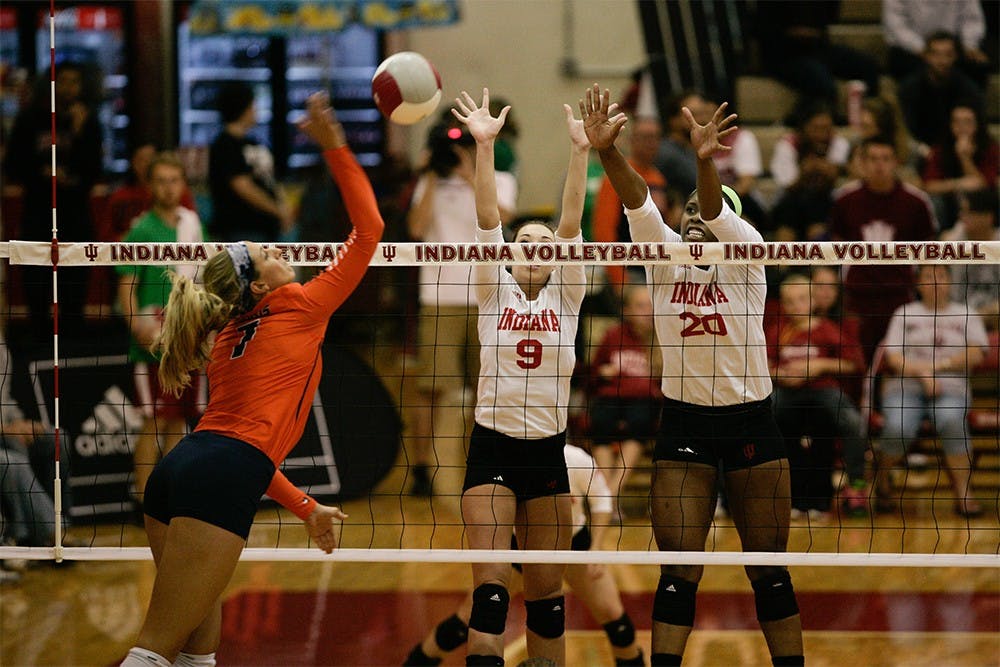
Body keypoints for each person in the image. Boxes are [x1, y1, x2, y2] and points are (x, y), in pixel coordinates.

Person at [119, 92, 382, 667]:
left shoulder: (227, 337)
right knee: (153, 651)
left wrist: (306, 507)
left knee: (196, 654)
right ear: (259, 286)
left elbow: (248, 452)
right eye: (269, 253)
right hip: (220, 474)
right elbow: (370, 230)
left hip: (179, 470)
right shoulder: (301, 305)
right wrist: (336, 148)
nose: (281, 252)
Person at [582, 84, 804, 666]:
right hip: (685, 425)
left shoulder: (747, 255)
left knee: (768, 572)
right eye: (688, 213)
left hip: (750, 421)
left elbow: (715, 208)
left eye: (709, 212)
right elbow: (638, 204)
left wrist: (706, 162)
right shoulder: (665, 260)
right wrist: (607, 152)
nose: (696, 218)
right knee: (678, 572)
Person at [450, 88, 587, 666]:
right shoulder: (493, 290)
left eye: (543, 244)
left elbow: (571, 221)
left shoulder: (568, 295)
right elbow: (488, 219)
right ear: (509, 255)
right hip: (492, 449)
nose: (534, 248)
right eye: (524, 242)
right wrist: (485, 146)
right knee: (490, 595)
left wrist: (581, 152)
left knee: (548, 601)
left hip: (548, 453)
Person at [403, 444, 644, 667]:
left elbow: (602, 501)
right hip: (521, 549)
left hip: (574, 546)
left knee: (615, 619)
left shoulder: (575, 458)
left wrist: (596, 548)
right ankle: (415, 663)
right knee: (469, 619)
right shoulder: (508, 458)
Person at [405, 114, 517, 498]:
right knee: (431, 389)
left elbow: (504, 219)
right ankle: (421, 469)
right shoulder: (429, 183)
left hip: (487, 297)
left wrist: (471, 176)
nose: (458, 153)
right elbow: (415, 229)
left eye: (465, 145)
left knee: (485, 388)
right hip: (439, 299)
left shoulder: (500, 179)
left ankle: (479, 464)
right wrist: (431, 175)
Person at [115, 151, 205, 507]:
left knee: (179, 421)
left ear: (183, 184)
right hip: (152, 340)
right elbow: (126, 286)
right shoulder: (141, 230)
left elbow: (204, 279)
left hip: (187, 337)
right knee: (153, 421)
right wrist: (137, 325)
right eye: (162, 181)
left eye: (174, 180)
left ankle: (170, 497)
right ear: (150, 186)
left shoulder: (192, 225)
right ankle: (142, 499)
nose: (169, 188)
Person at [873, 264, 989, 518]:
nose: (934, 280)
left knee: (951, 420)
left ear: (950, 280)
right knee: (898, 426)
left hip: (952, 387)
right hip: (905, 386)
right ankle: (882, 481)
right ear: (918, 283)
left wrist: (938, 367)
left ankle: (964, 493)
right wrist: (922, 373)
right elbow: (893, 357)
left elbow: (977, 352)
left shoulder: (966, 313)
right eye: (928, 275)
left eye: (940, 275)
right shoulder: (904, 313)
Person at [3, 62, 103, 338]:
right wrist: (42, 174)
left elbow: (94, 170)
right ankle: (38, 334)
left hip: (75, 211)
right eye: (64, 81)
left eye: (75, 81)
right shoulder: (29, 118)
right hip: (38, 209)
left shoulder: (88, 119)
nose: (70, 88)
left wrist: (80, 134)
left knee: (76, 273)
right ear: (51, 84)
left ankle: (74, 335)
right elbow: (14, 165)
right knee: (36, 273)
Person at [767, 274, 868, 520]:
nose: (796, 306)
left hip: (823, 391)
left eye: (802, 299)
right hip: (786, 392)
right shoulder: (778, 331)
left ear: (813, 301)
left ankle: (856, 484)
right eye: (790, 301)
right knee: (761, 418)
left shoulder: (828, 330)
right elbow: (764, 365)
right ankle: (766, 489)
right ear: (783, 304)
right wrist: (781, 375)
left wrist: (820, 366)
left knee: (853, 422)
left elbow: (854, 364)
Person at [830, 136, 937, 365]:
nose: (879, 165)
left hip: (900, 295)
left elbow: (929, 251)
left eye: (886, 159)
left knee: (896, 363)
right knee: (858, 362)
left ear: (896, 162)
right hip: (857, 296)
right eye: (873, 159)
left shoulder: (916, 202)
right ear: (862, 162)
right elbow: (835, 246)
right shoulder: (845, 199)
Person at [587, 282, 661, 523]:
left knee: (639, 422)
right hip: (610, 397)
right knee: (600, 423)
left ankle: (607, 499)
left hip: (643, 401)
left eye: (650, 306)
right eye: (640, 306)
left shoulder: (661, 338)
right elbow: (592, 372)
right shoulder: (613, 335)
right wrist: (602, 372)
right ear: (627, 310)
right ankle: (610, 500)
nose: (647, 312)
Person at [0, 330, 72, 551]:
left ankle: (52, 525)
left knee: (57, 440)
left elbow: (4, 398)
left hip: (6, 430)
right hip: (3, 435)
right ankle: (49, 535)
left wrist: (21, 422)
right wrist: (6, 430)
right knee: (12, 461)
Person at [753, 0, 880, 113]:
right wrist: (795, 32)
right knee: (824, 84)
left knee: (869, 67)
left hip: (817, 47)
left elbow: (830, 15)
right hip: (783, 53)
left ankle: (869, 119)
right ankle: (807, 120)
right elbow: (762, 26)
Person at [208, 81, 292, 243]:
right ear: (243, 108)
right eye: (253, 105)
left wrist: (282, 207)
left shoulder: (253, 142)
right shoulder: (224, 144)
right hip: (240, 229)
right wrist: (277, 210)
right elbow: (242, 185)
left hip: (266, 229)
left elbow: (268, 180)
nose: (256, 110)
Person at [593, 115, 668, 289]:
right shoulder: (616, 178)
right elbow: (603, 231)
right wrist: (619, 279)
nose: (651, 143)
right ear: (632, 140)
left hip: (656, 269)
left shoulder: (658, 178)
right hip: (629, 271)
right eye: (645, 137)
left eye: (655, 137)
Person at [769, 101, 849, 241]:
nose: (822, 134)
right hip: (792, 201)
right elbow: (788, 184)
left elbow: (837, 177)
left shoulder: (839, 143)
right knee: (790, 207)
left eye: (827, 128)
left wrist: (821, 169)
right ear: (804, 128)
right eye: (817, 128)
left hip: (827, 200)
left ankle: (819, 252)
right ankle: (784, 254)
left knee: (819, 204)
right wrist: (804, 173)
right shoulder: (788, 145)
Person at [897, 31, 983, 152]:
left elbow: (976, 129)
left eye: (948, 54)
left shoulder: (968, 90)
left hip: (958, 149)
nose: (942, 60)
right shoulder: (909, 89)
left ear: (956, 56)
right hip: (920, 150)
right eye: (936, 54)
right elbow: (905, 128)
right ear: (926, 56)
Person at [920, 101, 999, 230]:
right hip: (949, 202)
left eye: (967, 122)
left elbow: (983, 185)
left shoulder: (990, 148)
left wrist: (964, 158)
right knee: (934, 202)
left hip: (983, 203)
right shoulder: (941, 148)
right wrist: (959, 184)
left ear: (977, 124)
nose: (962, 127)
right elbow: (928, 185)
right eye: (957, 122)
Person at [883, 0, 990, 85]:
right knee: (908, 67)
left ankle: (967, 104)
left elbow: (971, 19)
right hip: (912, 50)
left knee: (977, 66)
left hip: (953, 47)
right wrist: (925, 50)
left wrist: (969, 44)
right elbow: (896, 26)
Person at [942, 188, 1000, 332]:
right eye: (962, 211)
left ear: (988, 217)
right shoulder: (954, 242)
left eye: (968, 212)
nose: (962, 217)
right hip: (957, 320)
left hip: (993, 317)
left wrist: (981, 315)